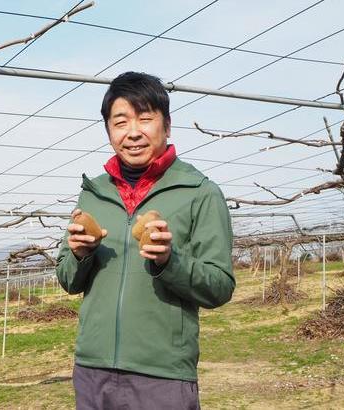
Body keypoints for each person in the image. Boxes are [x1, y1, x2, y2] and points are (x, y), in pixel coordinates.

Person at [56, 71, 235, 410]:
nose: (133, 132)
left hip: (162, 375)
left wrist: (171, 261)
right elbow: (67, 279)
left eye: (145, 119)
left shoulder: (200, 193)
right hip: (93, 370)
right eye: (120, 122)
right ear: (109, 130)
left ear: (166, 126)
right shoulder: (92, 195)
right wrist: (79, 255)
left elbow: (220, 286)